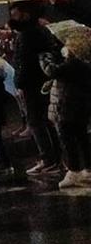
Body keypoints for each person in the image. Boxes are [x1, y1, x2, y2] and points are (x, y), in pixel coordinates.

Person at [8, 0, 62, 175]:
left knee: (37, 122)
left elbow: (23, 62)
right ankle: (57, 158)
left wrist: (20, 83)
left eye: (15, 15)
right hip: (43, 80)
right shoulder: (41, 31)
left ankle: (48, 159)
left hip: (32, 84)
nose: (12, 19)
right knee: (47, 121)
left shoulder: (27, 35)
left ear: (25, 15)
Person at [40, 40, 91, 189]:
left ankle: (74, 171)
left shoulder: (73, 65)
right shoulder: (84, 65)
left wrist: (44, 57)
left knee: (67, 141)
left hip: (67, 108)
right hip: (79, 108)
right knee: (82, 139)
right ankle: (87, 169)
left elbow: (51, 71)